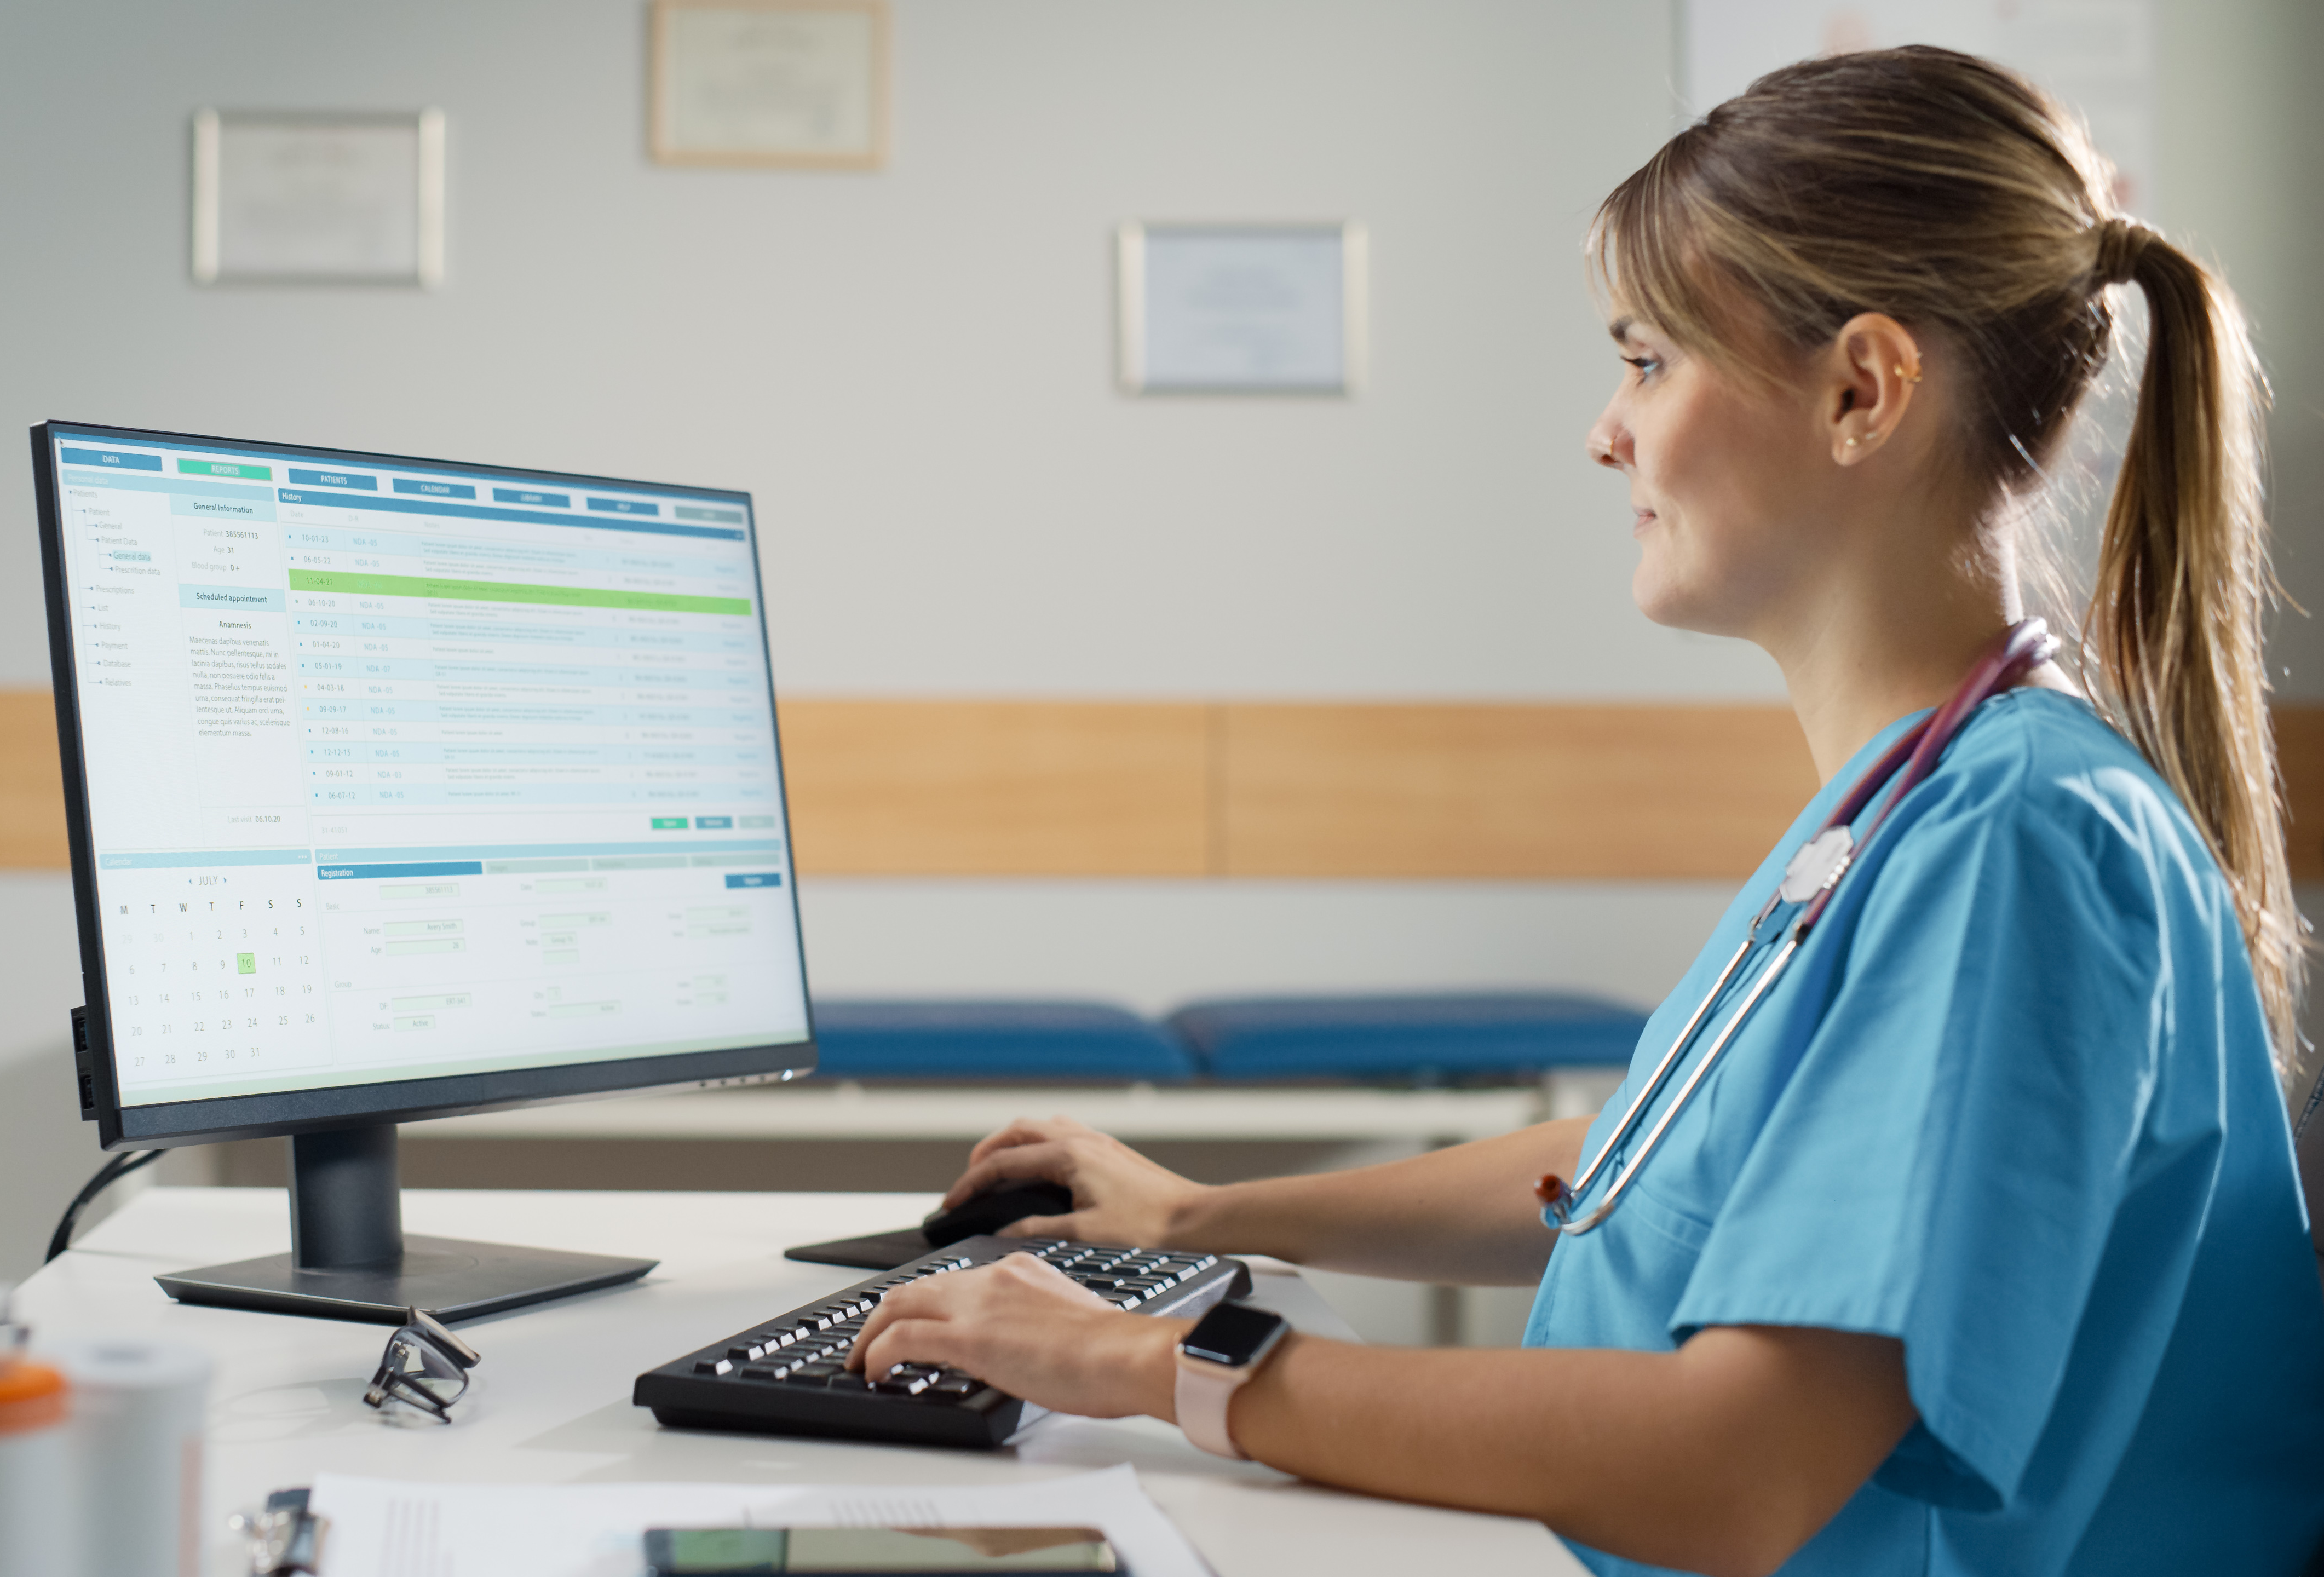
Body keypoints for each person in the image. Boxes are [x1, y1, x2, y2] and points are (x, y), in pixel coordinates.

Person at [844, 46, 2324, 1577]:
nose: (1606, 431)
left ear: (1860, 390)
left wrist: (1152, 1369)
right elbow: (1639, 1165)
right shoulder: (1922, 800)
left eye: (1647, 361)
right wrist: (1203, 1216)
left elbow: (1736, 1469)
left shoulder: (2013, 837)